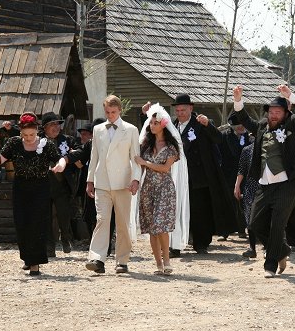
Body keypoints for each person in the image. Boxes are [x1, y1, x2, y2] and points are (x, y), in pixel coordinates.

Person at [232, 84, 295, 278]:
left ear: (285, 113)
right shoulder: (261, 127)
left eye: (278, 112)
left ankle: (270, 265)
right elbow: (243, 119)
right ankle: (282, 250)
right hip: (264, 184)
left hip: (286, 185)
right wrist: (238, 99)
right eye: (271, 112)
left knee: (277, 225)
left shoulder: (293, 125)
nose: (274, 115)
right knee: (255, 223)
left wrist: (290, 96)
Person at [0, 112, 66, 276]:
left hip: (41, 187)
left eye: (32, 134)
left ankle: (35, 263)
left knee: (37, 224)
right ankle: (28, 258)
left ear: (37, 130)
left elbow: (59, 159)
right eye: (25, 135)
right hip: (21, 187)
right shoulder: (14, 143)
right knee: (22, 223)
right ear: (20, 132)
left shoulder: (45, 144)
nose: (29, 137)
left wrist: (61, 165)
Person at [168, 94, 242, 255]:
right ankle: (175, 245)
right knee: (177, 210)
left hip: (199, 177)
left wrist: (208, 125)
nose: (180, 113)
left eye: (183, 110)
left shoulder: (201, 124)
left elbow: (218, 139)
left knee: (200, 211)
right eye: (178, 110)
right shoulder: (172, 126)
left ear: (191, 109)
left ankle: (201, 243)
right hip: (178, 176)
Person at [83, 95, 141, 274]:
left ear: (120, 111)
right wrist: (90, 179)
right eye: (107, 112)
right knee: (102, 220)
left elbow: (135, 158)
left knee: (122, 222)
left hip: (123, 182)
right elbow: (95, 157)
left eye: (113, 112)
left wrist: (135, 179)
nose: (110, 115)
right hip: (102, 182)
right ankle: (97, 258)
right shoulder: (98, 129)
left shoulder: (131, 129)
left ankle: (122, 260)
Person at [135, 104, 187, 275]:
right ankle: (158, 263)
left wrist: (146, 163)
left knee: (161, 226)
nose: (152, 126)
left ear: (163, 124)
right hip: (148, 188)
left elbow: (165, 168)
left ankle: (167, 261)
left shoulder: (172, 147)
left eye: (155, 123)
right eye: (151, 123)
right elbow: (138, 167)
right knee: (152, 228)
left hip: (165, 188)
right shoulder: (145, 145)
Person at [40, 112, 79, 256]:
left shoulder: (67, 140)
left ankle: (66, 239)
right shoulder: (38, 141)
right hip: (43, 184)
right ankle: (49, 246)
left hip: (62, 185)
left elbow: (79, 151)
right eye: (52, 125)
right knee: (46, 217)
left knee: (64, 215)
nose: (56, 127)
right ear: (45, 128)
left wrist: (70, 155)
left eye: (58, 124)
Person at [217, 113, 251, 241]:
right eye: (238, 126)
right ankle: (224, 231)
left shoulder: (249, 137)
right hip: (228, 173)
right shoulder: (225, 136)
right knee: (227, 202)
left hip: (245, 174)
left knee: (243, 201)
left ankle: (242, 230)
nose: (241, 128)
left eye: (243, 125)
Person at [234, 140, 258, 258]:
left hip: (268, 187)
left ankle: (268, 247)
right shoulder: (247, 150)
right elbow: (242, 169)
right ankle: (252, 247)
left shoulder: (273, 148)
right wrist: (237, 185)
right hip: (251, 186)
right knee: (250, 217)